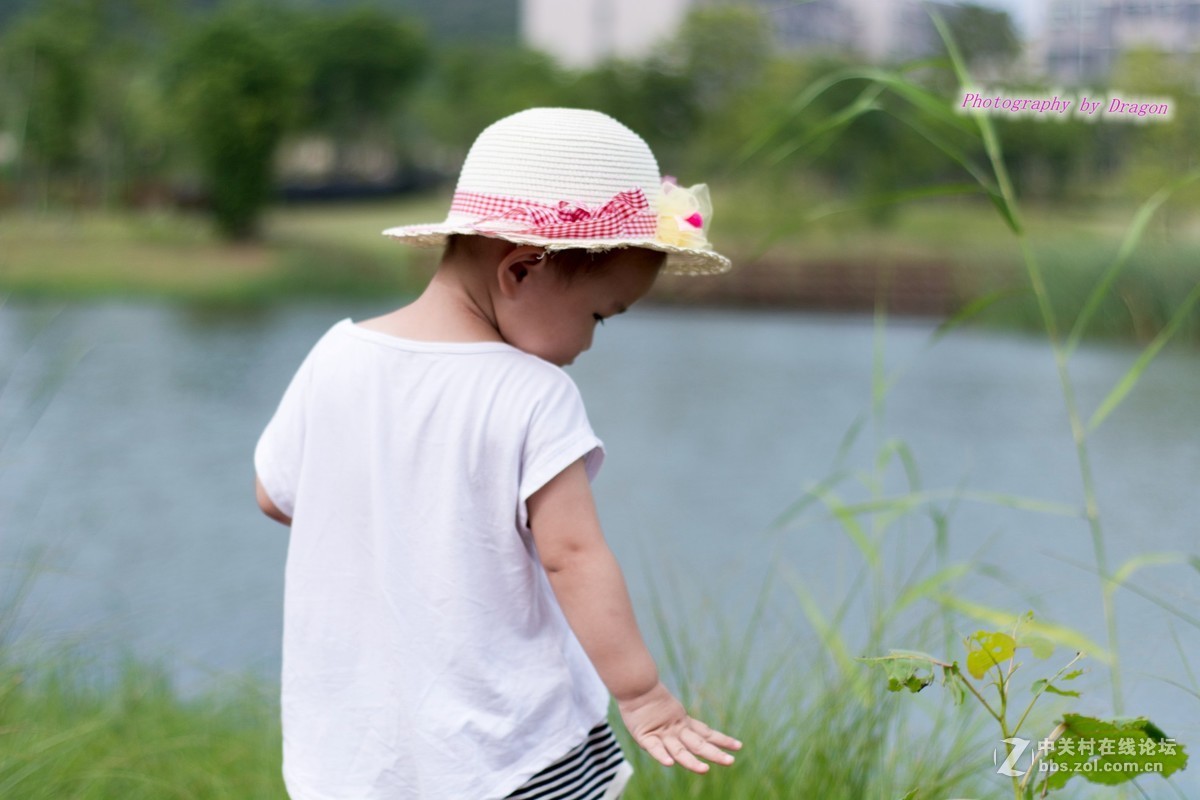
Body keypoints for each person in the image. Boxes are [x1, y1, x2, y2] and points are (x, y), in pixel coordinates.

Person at [253, 107, 740, 800]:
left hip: (350, 758)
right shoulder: (533, 392)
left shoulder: (335, 356)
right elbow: (572, 554)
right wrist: (644, 695)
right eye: (598, 315)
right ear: (520, 270)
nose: (589, 345)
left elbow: (275, 494)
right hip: (507, 755)